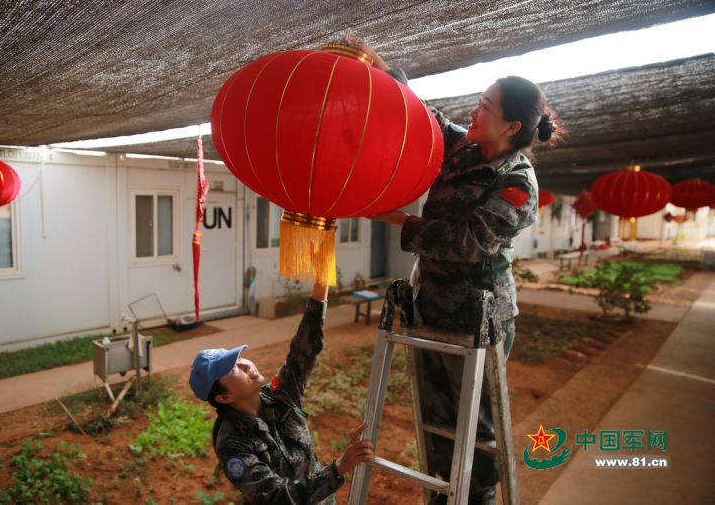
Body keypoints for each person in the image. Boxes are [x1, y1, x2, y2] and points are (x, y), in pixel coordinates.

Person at [345, 36, 563, 505]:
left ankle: (477, 498)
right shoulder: (463, 148)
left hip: (478, 318)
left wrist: (401, 222)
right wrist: (383, 69)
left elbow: (470, 242)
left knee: (476, 425)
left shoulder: (517, 183)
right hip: (431, 307)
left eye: (485, 106)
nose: (473, 111)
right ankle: (442, 494)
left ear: (511, 125)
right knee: (436, 414)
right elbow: (422, 119)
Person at [189, 274, 374, 505]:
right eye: (233, 369)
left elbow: (304, 348)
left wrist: (322, 277)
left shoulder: (279, 395)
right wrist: (339, 468)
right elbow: (278, 498)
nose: (247, 365)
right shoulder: (233, 444)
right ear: (223, 397)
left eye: (240, 358)